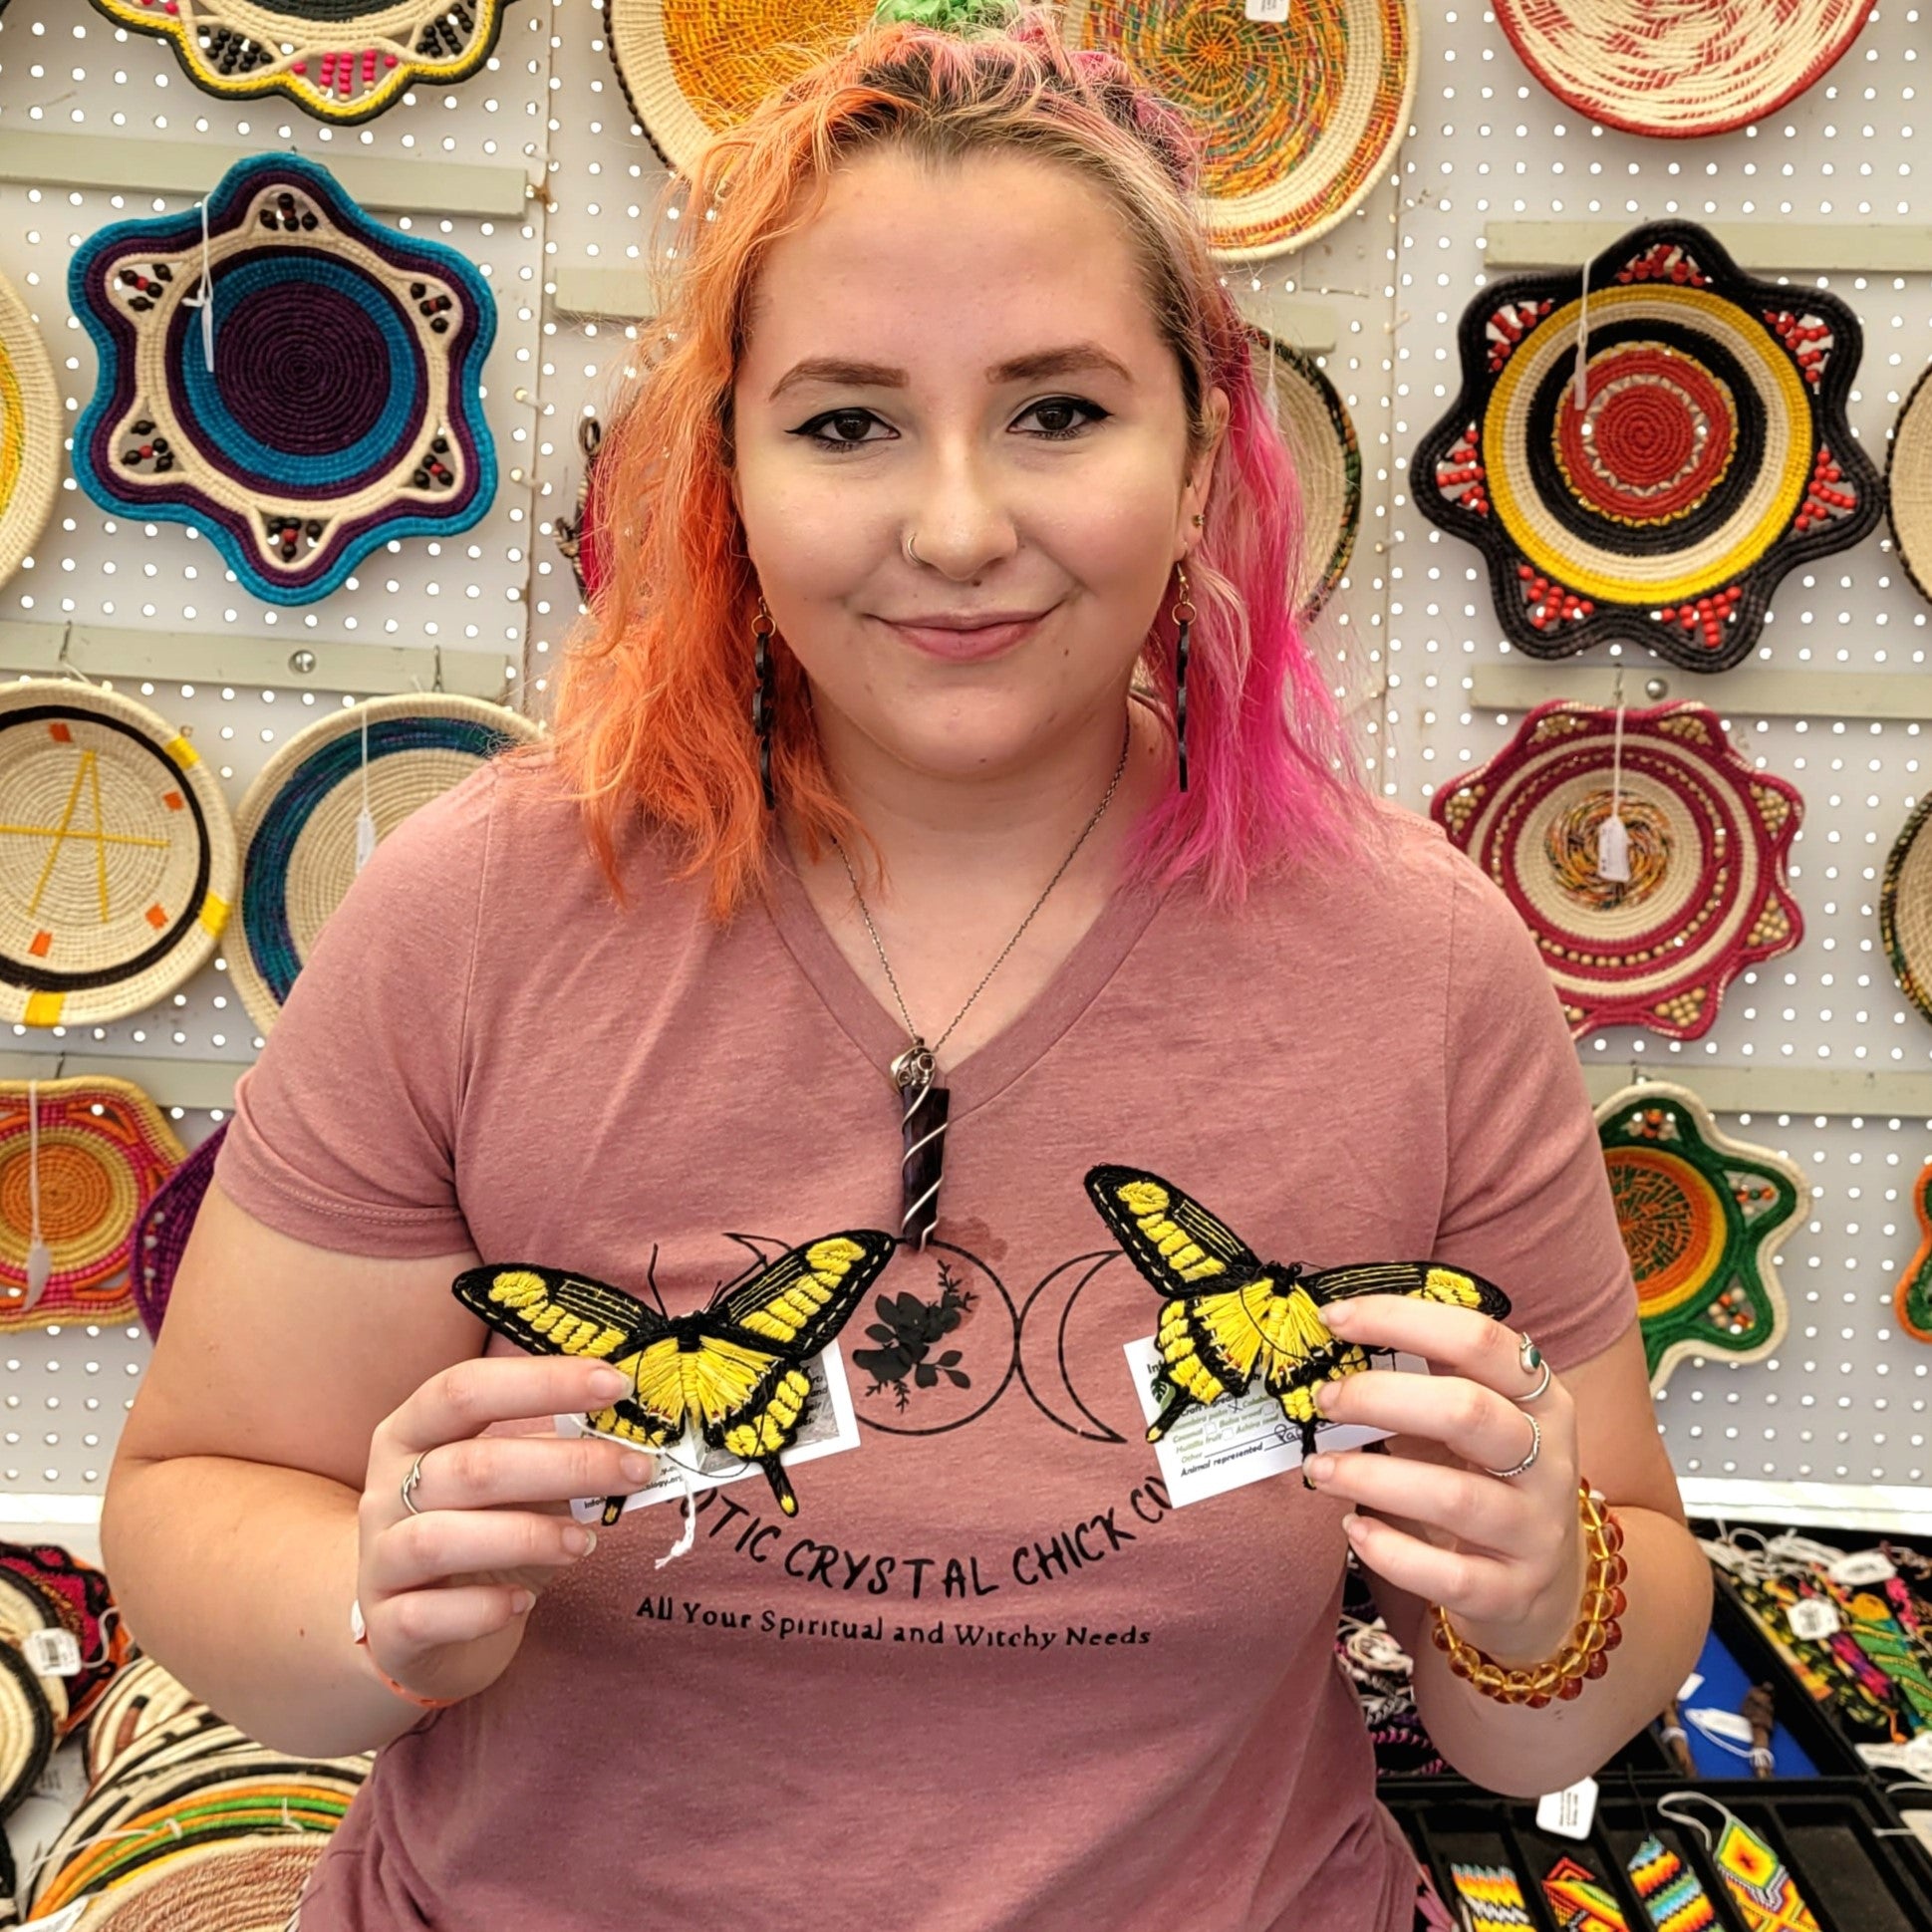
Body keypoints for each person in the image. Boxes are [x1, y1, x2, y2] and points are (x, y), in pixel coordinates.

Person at [101, 7, 1712, 1928]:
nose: (958, 528)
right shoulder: (476, 912)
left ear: (1203, 453)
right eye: (850, 421)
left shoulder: (1424, 959)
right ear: (729, 474)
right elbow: (199, 1499)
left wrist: (1543, 1598)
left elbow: (1569, 1679)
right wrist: (368, 1606)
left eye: (1059, 411)